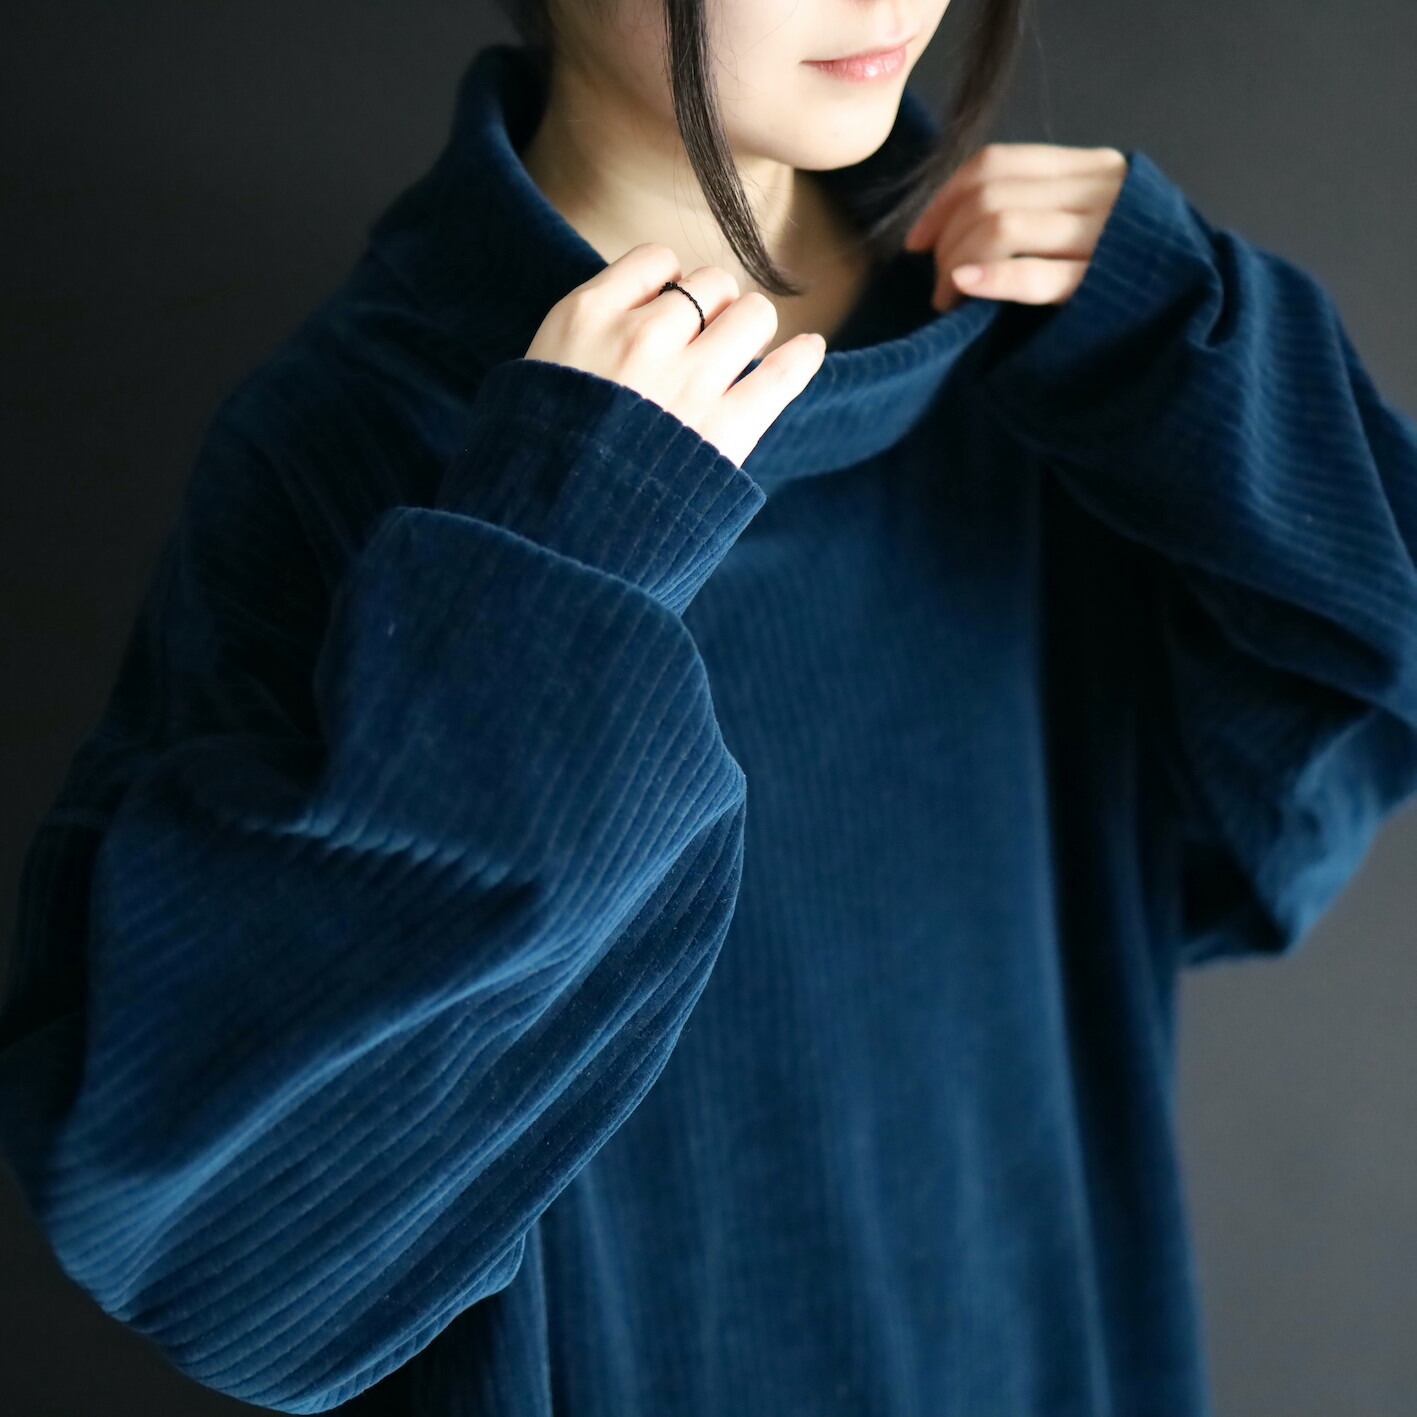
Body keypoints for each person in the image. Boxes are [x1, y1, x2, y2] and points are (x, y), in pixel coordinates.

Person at [2, 2, 1415, 1414]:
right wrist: (565, 557)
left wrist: (1206, 354)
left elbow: (1283, 814)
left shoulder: (1068, 353)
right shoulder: (360, 439)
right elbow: (223, 1236)